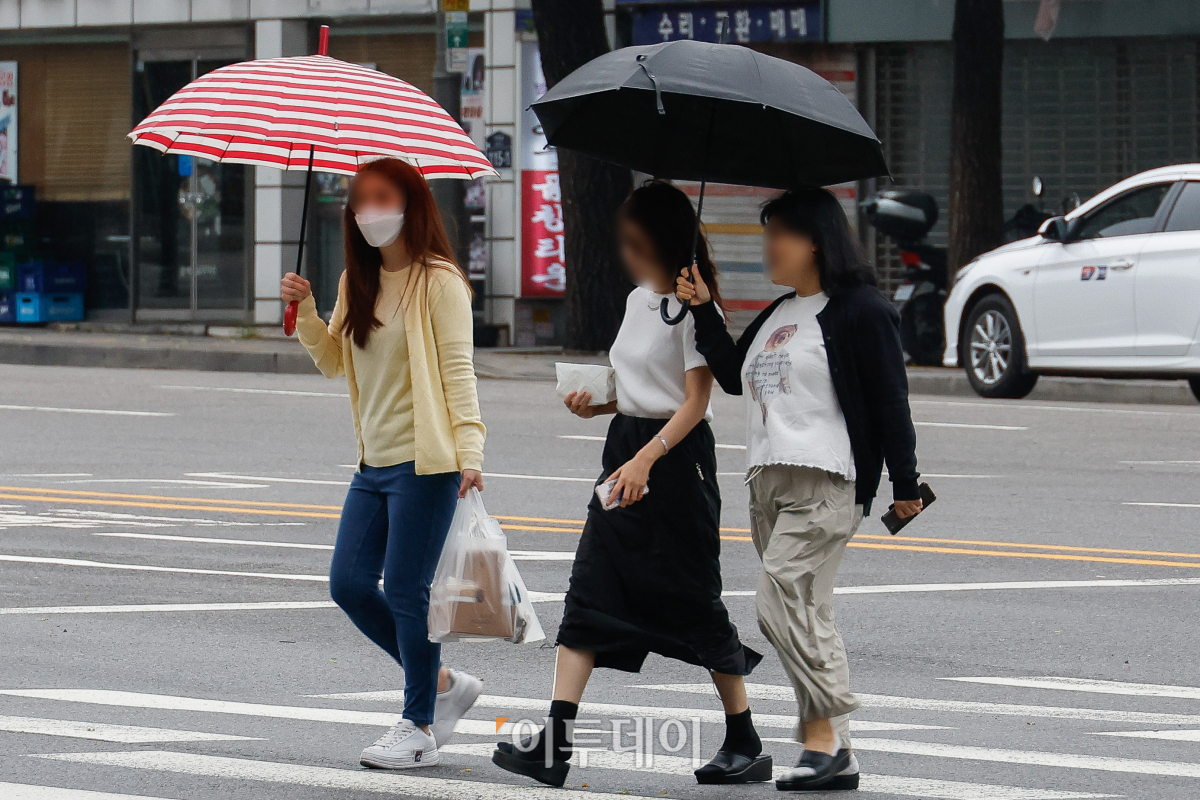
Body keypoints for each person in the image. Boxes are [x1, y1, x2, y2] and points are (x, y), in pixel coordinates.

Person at [492, 181, 769, 787]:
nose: (629, 254)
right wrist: (593, 405)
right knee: (590, 587)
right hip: (626, 451)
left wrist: (648, 460)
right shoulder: (637, 299)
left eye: (638, 243)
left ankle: (744, 738)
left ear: (667, 242)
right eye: (626, 242)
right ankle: (554, 744)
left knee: (692, 599)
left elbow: (694, 403)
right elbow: (635, 389)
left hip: (677, 463)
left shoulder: (696, 308)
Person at [676, 187, 922, 792]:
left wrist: (905, 482)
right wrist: (704, 308)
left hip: (827, 478)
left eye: (778, 235)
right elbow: (732, 375)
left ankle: (824, 731)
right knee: (809, 613)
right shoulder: (781, 312)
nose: (767, 247)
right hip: (768, 480)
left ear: (814, 241)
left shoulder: (861, 310)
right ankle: (836, 753)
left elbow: (891, 401)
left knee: (777, 599)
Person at [281, 157, 486, 771]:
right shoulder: (358, 279)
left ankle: (418, 725)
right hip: (373, 464)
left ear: (411, 204)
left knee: (404, 591)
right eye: (360, 199)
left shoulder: (440, 282)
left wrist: (470, 453)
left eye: (382, 197)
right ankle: (442, 683)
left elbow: (458, 373)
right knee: (348, 584)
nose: (369, 210)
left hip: (426, 463)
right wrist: (307, 311)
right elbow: (334, 362)